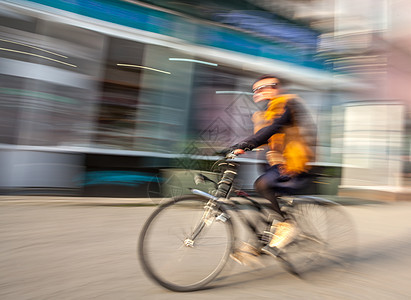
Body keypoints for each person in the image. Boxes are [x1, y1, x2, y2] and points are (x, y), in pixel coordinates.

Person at [227, 74, 317, 264]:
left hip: (295, 167)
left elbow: (275, 128)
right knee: (262, 203)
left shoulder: (287, 104)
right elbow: (265, 136)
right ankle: (260, 244)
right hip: (278, 166)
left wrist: (247, 144)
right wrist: (236, 148)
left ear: (276, 88)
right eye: (255, 90)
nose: (257, 92)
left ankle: (287, 225)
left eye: (263, 87)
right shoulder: (267, 112)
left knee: (262, 185)